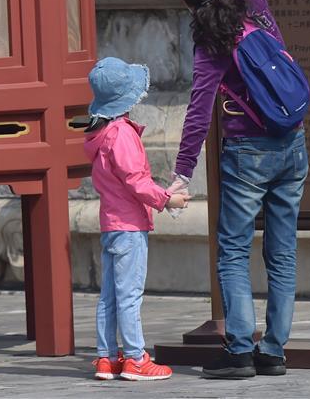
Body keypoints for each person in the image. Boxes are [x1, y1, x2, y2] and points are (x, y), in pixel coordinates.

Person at [168, 0, 308, 379]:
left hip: (247, 152)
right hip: (293, 143)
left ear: (189, 3)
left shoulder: (209, 43)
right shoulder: (256, 5)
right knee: (282, 250)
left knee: (232, 248)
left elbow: (197, 111)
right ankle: (274, 350)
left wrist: (182, 174)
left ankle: (239, 352)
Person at [84, 56, 192, 381]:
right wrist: (167, 199)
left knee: (110, 296)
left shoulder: (100, 135)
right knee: (129, 294)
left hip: (111, 225)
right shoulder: (122, 134)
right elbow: (137, 182)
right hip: (130, 227)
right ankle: (135, 358)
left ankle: (106, 357)